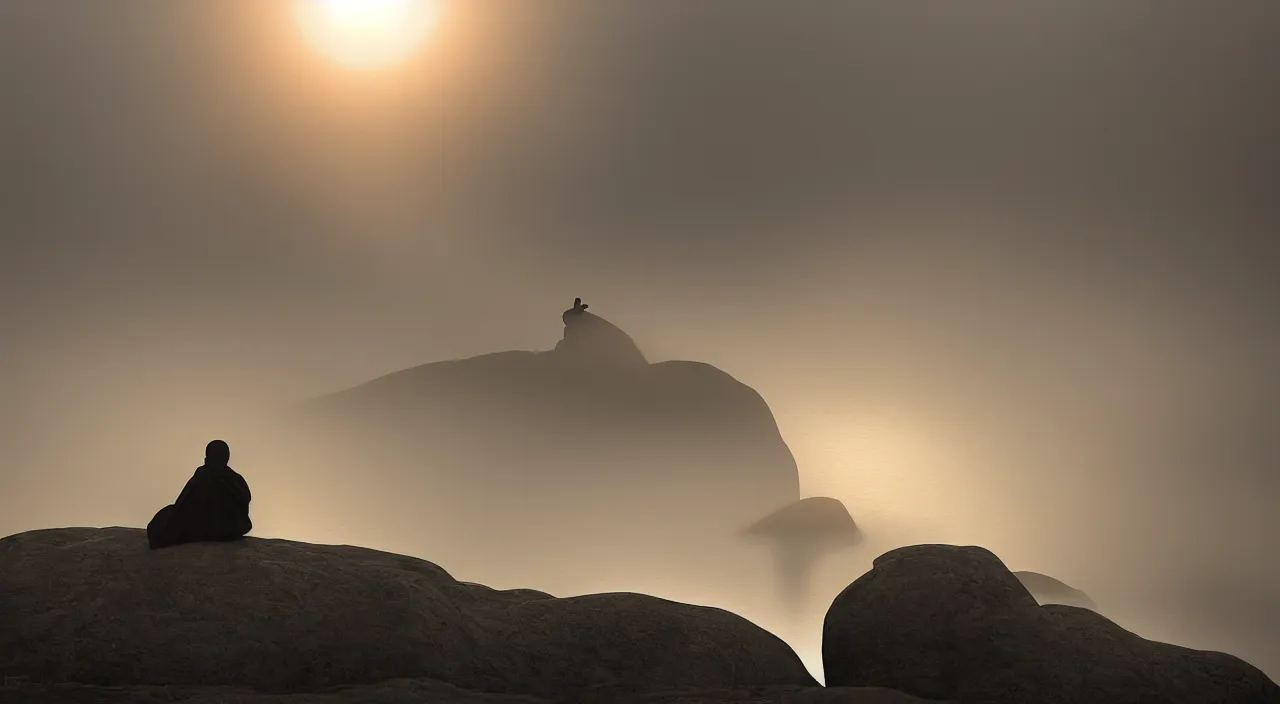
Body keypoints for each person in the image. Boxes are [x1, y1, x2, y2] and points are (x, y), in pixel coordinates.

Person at [147, 439, 253, 550]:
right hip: (231, 530)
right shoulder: (235, 479)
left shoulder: (203, 475)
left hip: (203, 529)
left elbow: (182, 504)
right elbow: (245, 501)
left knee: (165, 517)